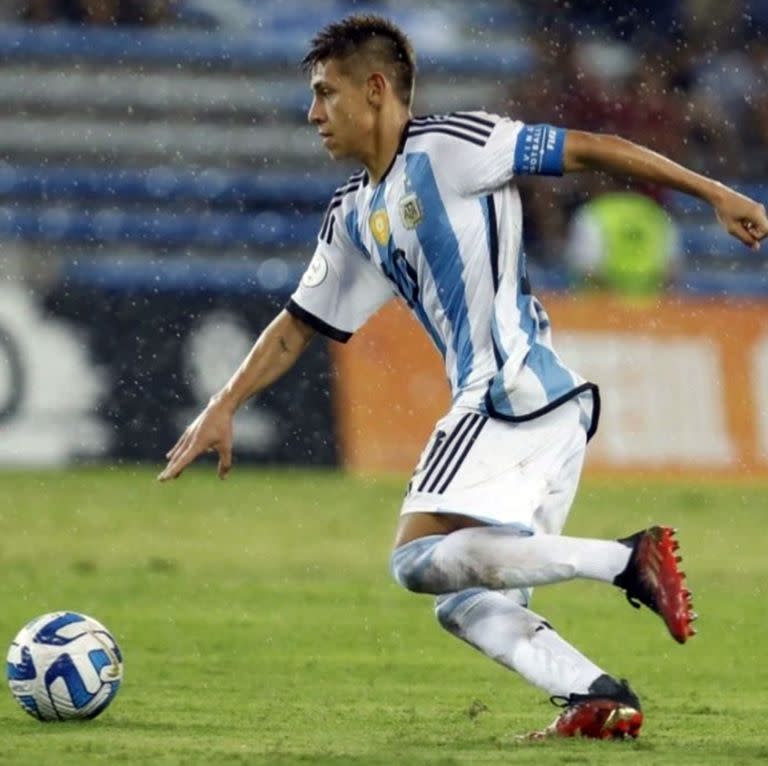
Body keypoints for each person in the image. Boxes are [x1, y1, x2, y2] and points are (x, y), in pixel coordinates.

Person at [158, 14, 768, 740]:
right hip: (546, 408)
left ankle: (626, 560)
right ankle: (595, 696)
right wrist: (223, 403)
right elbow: (298, 322)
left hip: (508, 391)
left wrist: (713, 193)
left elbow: (593, 149)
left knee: (415, 560)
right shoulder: (353, 212)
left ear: (376, 89)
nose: (312, 113)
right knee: (461, 597)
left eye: (326, 93)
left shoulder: (454, 147)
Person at [564, 189, 682, 295]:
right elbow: (671, 271)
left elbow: (585, 268)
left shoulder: (594, 213)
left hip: (601, 309)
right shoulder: (657, 214)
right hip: (649, 308)